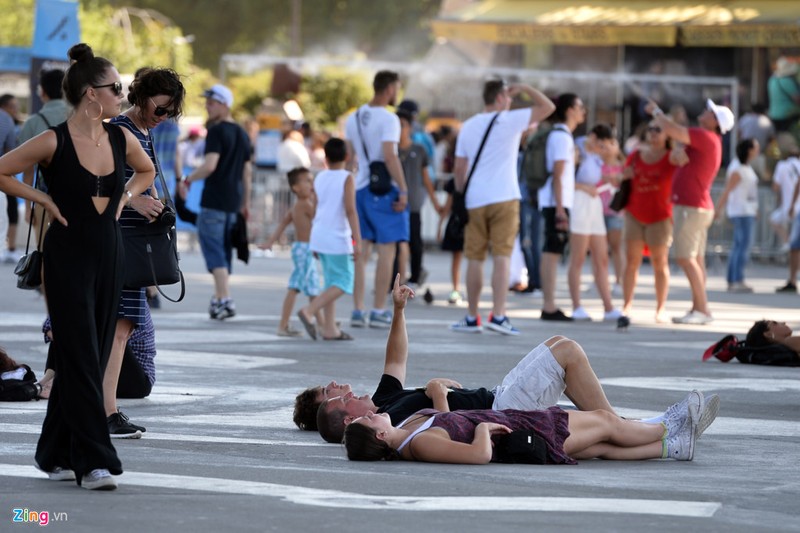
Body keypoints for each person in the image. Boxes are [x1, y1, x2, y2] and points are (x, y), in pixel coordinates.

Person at [0, 43, 156, 490]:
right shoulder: (52, 139)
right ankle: (95, 461)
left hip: (110, 253)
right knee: (82, 356)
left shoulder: (121, 137)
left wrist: (126, 196)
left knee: (83, 357)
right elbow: (3, 171)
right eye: (116, 88)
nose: (122, 95)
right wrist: (44, 197)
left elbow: (144, 172)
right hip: (66, 255)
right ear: (91, 93)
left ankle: (53, 453)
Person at [308, 275, 618, 442]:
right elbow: (446, 430)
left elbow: (396, 357)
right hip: (501, 411)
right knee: (567, 351)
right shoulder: (391, 425)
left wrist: (399, 311)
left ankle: (622, 428)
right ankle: (621, 427)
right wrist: (436, 393)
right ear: (350, 420)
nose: (349, 391)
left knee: (559, 344)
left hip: (497, 395)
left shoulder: (383, 400)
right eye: (343, 399)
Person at [343, 389, 716, 464]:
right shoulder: (418, 446)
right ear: (378, 434)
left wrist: (440, 396)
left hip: (521, 423)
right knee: (603, 423)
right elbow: (476, 457)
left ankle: (674, 447)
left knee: (598, 447)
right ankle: (668, 426)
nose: (373, 412)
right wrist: (482, 431)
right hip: (527, 434)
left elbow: (447, 420)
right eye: (367, 418)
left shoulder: (410, 426)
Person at [451, 79, 555, 335]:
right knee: (502, 257)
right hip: (505, 197)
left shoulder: (469, 126)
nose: (510, 102)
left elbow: (459, 169)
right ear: (499, 98)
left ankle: (472, 316)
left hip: (475, 199)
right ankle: (498, 316)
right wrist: (525, 88)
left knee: (474, 258)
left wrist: (462, 196)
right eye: (507, 98)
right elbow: (548, 107)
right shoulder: (510, 120)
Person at [646, 98, 734, 325]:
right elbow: (678, 153)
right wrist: (678, 154)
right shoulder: (707, 139)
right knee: (695, 259)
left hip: (691, 207)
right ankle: (699, 308)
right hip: (696, 207)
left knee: (685, 258)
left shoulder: (705, 136)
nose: (704, 112)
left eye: (709, 111)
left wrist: (656, 110)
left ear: (715, 121)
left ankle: (702, 310)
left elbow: (673, 130)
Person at [180, 84, 252, 320]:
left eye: (212, 102)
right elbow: (247, 173)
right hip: (232, 203)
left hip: (214, 201)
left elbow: (210, 165)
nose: (208, 106)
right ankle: (220, 296)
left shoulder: (217, 131)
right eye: (207, 102)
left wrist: (187, 179)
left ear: (224, 104)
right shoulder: (242, 133)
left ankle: (224, 299)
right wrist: (245, 203)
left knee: (214, 253)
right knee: (222, 252)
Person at [344, 70, 409, 329]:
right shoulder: (390, 118)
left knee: (362, 249)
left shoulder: (354, 117)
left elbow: (351, 158)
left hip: (360, 186)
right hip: (384, 190)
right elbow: (389, 155)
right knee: (387, 250)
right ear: (390, 88)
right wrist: (403, 188)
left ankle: (358, 309)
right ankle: (379, 308)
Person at [297, 138, 361, 341]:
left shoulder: (320, 177)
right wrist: (357, 240)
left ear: (325, 157)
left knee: (331, 281)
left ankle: (330, 328)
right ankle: (309, 311)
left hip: (319, 233)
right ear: (347, 157)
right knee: (344, 282)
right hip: (336, 236)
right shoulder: (347, 178)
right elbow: (350, 210)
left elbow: (316, 207)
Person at [620, 120, 677, 324]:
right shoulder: (636, 155)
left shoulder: (672, 156)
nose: (653, 133)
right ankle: (626, 305)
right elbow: (622, 176)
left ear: (668, 134)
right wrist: (624, 176)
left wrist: (677, 135)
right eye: (650, 129)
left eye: (658, 129)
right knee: (632, 262)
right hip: (634, 214)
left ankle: (660, 308)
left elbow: (685, 157)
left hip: (660, 217)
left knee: (659, 263)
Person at [258, 167, 323, 337]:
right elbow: (319, 219)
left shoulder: (296, 206)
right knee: (296, 287)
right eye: (307, 181)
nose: (312, 184)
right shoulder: (306, 205)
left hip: (303, 250)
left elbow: (282, 224)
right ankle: (283, 325)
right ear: (296, 188)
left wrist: (270, 242)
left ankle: (323, 324)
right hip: (304, 250)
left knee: (312, 288)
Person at [567, 124, 622, 322]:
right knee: (579, 257)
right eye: (600, 143)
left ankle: (608, 307)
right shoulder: (577, 148)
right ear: (592, 137)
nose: (601, 147)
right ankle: (577, 306)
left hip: (594, 203)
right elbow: (564, 178)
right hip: (580, 201)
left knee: (602, 256)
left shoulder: (598, 156)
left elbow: (605, 169)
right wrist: (583, 187)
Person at [539, 93, 586, 322]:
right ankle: (549, 305)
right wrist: (559, 209)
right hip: (555, 202)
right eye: (579, 107)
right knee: (552, 252)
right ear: (569, 110)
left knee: (553, 251)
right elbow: (558, 175)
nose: (582, 111)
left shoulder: (562, 136)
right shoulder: (561, 137)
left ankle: (549, 304)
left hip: (555, 201)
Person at [397, 109, 442, 287]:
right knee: (395, 244)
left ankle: (415, 276)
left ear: (409, 127)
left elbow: (426, 177)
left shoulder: (419, 149)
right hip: (395, 204)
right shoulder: (389, 149)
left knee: (415, 241)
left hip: (413, 203)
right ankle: (394, 279)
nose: (399, 129)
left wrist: (435, 201)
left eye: (402, 125)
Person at [715, 139, 760, 293]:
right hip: (741, 212)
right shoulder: (738, 169)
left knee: (739, 246)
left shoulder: (744, 167)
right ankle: (736, 279)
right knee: (742, 247)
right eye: (755, 148)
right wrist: (718, 209)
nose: (758, 150)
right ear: (748, 150)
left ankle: (734, 279)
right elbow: (727, 191)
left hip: (747, 210)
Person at [438, 176, 464, 304]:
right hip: (463, 222)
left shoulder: (455, 180)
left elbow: (447, 206)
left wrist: (440, 226)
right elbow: (448, 205)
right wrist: (440, 226)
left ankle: (456, 289)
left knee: (458, 259)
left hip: (461, 222)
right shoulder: (454, 181)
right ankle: (456, 289)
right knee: (459, 258)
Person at [0, 94, 18, 263]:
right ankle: (10, 248)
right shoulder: (7, 120)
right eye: (14, 106)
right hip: (1, 172)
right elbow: (10, 151)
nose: (16, 110)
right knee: (11, 209)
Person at [737, 103, 774, 180]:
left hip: (745, 155)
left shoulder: (745, 119)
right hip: (760, 155)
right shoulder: (767, 121)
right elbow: (771, 139)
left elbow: (739, 134)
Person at [767, 57, 800, 133]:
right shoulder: (787, 81)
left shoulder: (772, 80)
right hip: (787, 116)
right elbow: (797, 99)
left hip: (774, 114)